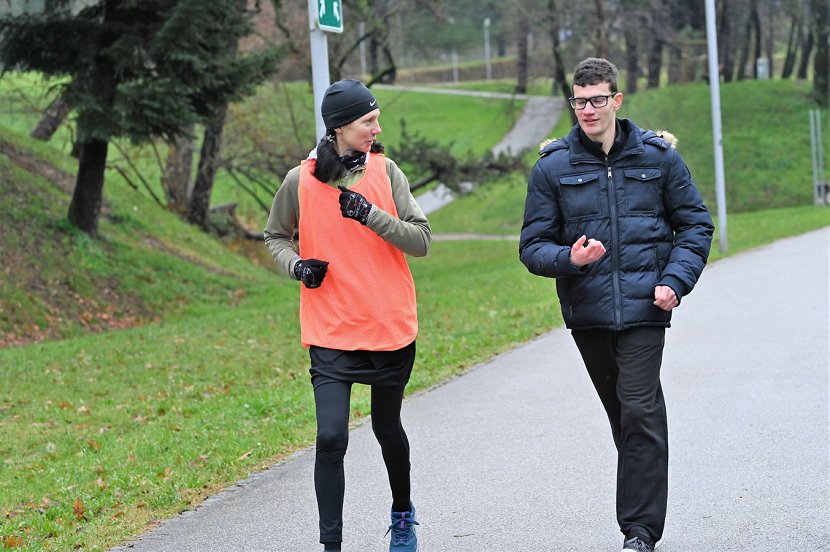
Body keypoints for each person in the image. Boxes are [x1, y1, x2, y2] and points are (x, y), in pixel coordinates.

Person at [519, 58, 714, 552]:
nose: (588, 109)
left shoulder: (659, 158)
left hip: (648, 307)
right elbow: (532, 246)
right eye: (580, 101)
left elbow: (695, 225)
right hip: (589, 313)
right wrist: (571, 258)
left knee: (640, 410)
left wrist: (675, 281)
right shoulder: (553, 167)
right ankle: (640, 517)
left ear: (616, 100)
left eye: (597, 100)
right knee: (624, 417)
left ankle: (639, 533)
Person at [264, 79, 431, 552]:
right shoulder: (299, 180)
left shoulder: (387, 171)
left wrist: (372, 215)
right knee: (331, 437)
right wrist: (298, 266)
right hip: (331, 329)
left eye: (376, 119)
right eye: (368, 121)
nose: (377, 129)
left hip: (387, 327)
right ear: (339, 127)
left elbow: (421, 241)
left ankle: (402, 515)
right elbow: (275, 236)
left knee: (387, 430)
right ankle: (331, 545)